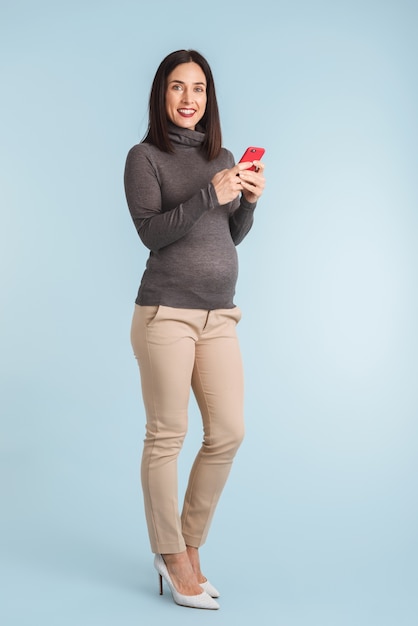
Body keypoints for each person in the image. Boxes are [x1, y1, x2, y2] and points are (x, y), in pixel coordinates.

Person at [124, 49, 265, 610]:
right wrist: (212, 192)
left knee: (229, 431)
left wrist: (247, 202)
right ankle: (172, 553)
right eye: (178, 88)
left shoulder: (222, 154)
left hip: (219, 315)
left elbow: (225, 236)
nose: (189, 99)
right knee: (167, 435)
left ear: (209, 97)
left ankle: (189, 542)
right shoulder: (143, 157)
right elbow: (152, 233)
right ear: (162, 95)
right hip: (166, 314)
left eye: (199, 89)